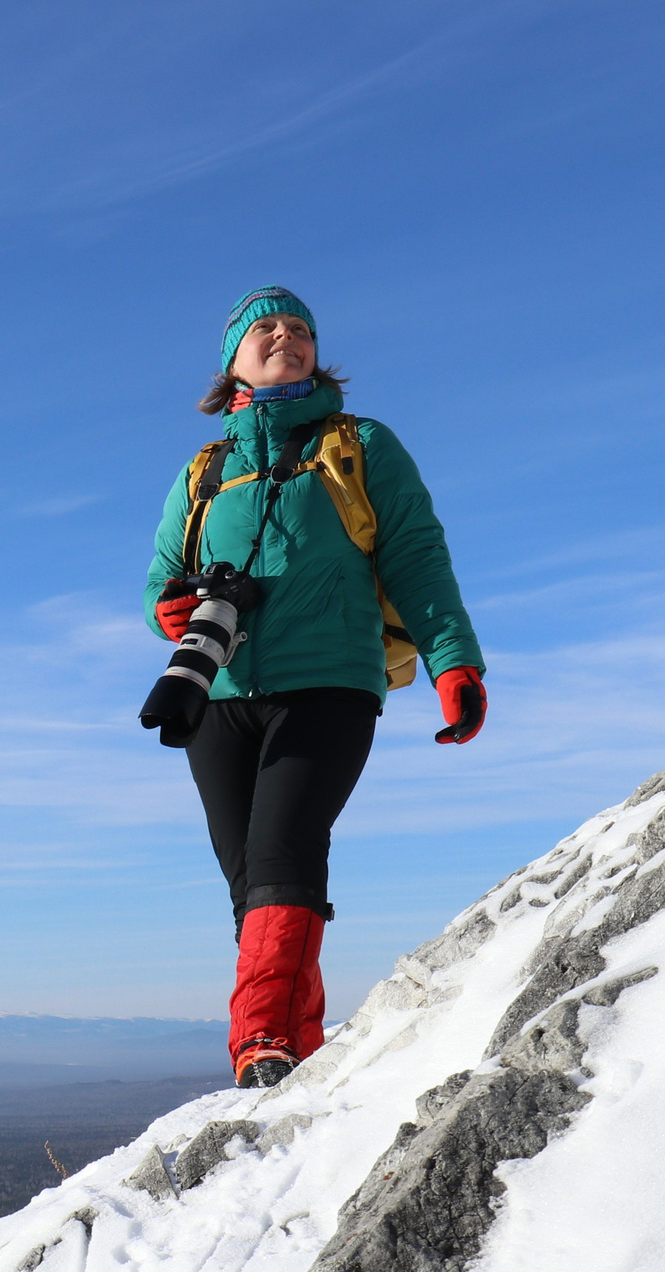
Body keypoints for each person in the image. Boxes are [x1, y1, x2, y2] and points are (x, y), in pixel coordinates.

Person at [145, 287, 486, 1089]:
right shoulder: (206, 469)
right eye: (265, 327)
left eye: (300, 329)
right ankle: (297, 1038)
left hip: (330, 682)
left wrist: (454, 661)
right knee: (253, 881)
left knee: (282, 853)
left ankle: (261, 1043)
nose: (285, 336)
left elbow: (416, 557)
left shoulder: (360, 444)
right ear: (232, 358)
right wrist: (175, 607)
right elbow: (162, 575)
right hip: (218, 694)